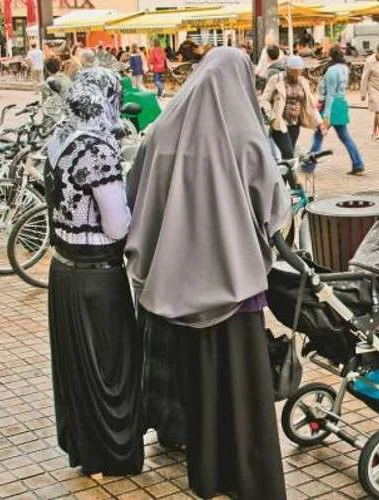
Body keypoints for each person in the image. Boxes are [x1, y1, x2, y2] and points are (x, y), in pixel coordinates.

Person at [125, 47, 289, 500]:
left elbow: (135, 194)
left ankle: (209, 474)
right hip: (235, 289)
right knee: (243, 387)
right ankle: (252, 481)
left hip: (175, 289)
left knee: (199, 387)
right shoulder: (246, 138)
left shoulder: (162, 131)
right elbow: (273, 211)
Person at [45, 67, 143, 477]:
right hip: (97, 277)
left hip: (63, 274)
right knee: (110, 369)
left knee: (78, 370)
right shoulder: (98, 151)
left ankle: (87, 451)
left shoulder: (58, 137)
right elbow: (117, 225)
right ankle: (115, 455)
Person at [305, 44, 365, 175]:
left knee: (318, 135)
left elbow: (330, 94)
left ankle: (309, 165)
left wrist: (326, 116)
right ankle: (358, 163)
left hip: (330, 105)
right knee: (345, 137)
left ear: (331, 55)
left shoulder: (332, 70)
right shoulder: (345, 68)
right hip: (341, 103)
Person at [260, 55, 325, 161]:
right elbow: (264, 99)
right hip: (279, 124)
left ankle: (282, 176)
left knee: (289, 157)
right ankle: (287, 177)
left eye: (298, 71)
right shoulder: (277, 79)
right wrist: (270, 115)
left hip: (295, 123)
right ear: (287, 69)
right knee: (289, 154)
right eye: (293, 71)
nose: (295, 74)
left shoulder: (303, 82)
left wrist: (320, 123)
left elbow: (310, 105)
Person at [40, 55, 72, 126]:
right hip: (68, 114)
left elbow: (45, 102)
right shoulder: (66, 78)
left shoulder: (46, 84)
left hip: (54, 116)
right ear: (60, 67)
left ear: (46, 68)